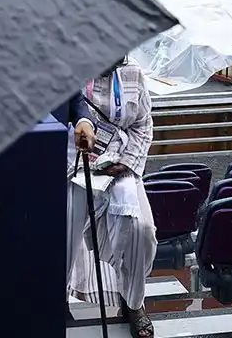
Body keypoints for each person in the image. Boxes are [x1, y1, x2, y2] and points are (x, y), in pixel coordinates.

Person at [61, 56, 157, 338]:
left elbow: (143, 125)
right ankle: (55, 301)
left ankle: (134, 303)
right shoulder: (69, 67)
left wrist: (126, 161)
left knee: (142, 231)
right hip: (74, 166)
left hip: (119, 166)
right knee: (62, 233)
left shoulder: (133, 73)